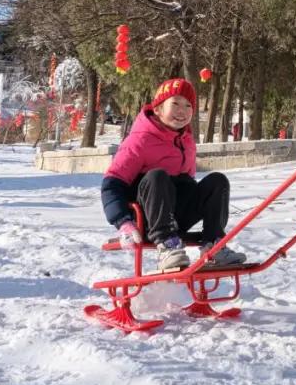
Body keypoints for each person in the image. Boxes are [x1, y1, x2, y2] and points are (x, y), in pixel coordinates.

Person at [101, 78, 247, 272]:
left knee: (217, 181)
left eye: (188, 106)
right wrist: (123, 222)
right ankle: (167, 245)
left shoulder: (186, 141)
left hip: (176, 218)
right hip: (147, 222)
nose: (182, 110)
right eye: (175, 103)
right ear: (158, 109)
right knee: (158, 177)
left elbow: (187, 187)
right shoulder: (140, 140)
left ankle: (214, 246)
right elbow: (112, 183)